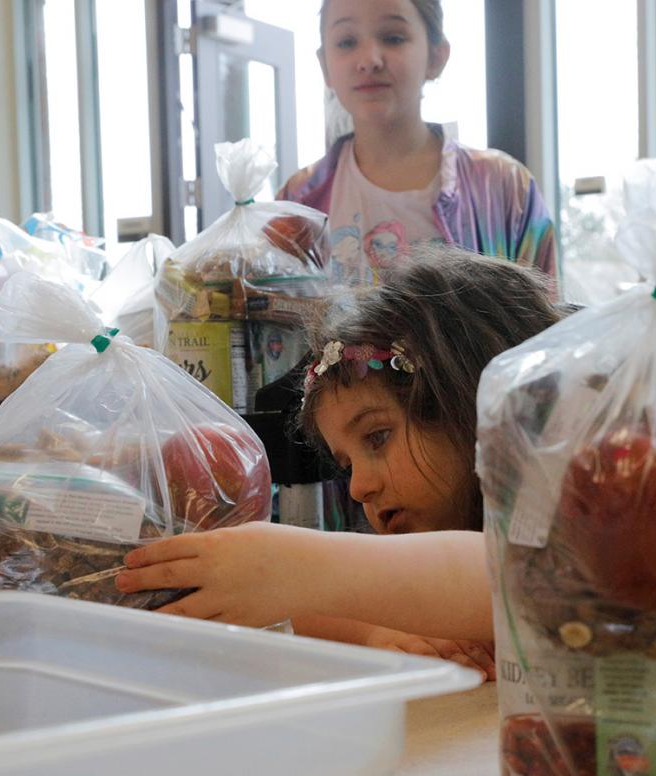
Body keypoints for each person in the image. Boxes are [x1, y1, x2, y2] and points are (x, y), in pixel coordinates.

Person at [115, 246, 563, 677]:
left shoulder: (581, 537)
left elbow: (515, 578)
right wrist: (371, 631)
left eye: (378, 437)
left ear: (476, 407)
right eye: (345, 466)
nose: (357, 488)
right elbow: (315, 610)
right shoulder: (415, 575)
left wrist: (295, 566)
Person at [278, 0, 558, 289]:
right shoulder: (297, 202)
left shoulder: (505, 187)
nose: (369, 60)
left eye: (393, 38)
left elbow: (547, 325)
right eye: (347, 42)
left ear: (436, 56)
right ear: (325, 66)